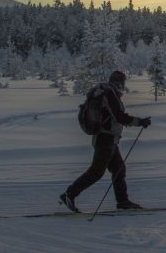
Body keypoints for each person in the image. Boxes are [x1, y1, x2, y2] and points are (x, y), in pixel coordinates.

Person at [60, 71, 151, 212]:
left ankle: (123, 201)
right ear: (119, 82)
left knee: (119, 169)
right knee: (96, 172)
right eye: (123, 82)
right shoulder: (109, 94)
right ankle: (69, 194)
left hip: (108, 139)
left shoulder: (107, 92)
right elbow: (119, 117)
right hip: (105, 139)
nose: (123, 85)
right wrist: (140, 122)